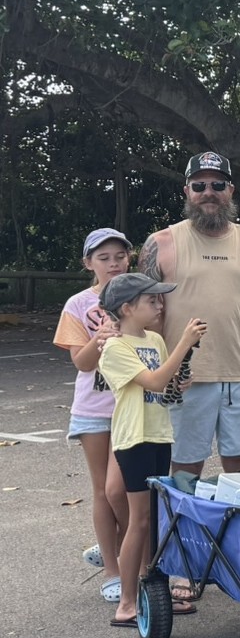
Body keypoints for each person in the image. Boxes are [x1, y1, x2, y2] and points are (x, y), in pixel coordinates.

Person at [139, 151, 240, 480]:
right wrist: (153, 373)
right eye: (199, 185)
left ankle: (233, 534)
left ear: (231, 191)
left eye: (218, 184)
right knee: (184, 472)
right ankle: (183, 534)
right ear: (187, 191)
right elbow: (144, 316)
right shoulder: (160, 243)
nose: (209, 191)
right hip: (184, 379)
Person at [96, 273, 208, 627]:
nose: (159, 305)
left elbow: (165, 391)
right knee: (140, 521)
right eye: (151, 301)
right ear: (127, 308)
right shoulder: (115, 349)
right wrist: (184, 344)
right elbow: (154, 380)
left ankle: (151, 591)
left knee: (156, 520)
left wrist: (180, 382)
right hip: (134, 440)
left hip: (160, 435)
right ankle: (126, 603)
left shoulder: (156, 340)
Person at [54, 228, 131, 603]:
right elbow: (82, 364)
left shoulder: (138, 296)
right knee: (103, 489)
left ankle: (127, 550)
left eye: (119, 256)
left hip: (133, 409)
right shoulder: (78, 304)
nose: (113, 264)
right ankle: (113, 570)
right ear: (88, 264)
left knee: (127, 489)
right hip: (94, 410)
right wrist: (100, 338)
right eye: (103, 258)